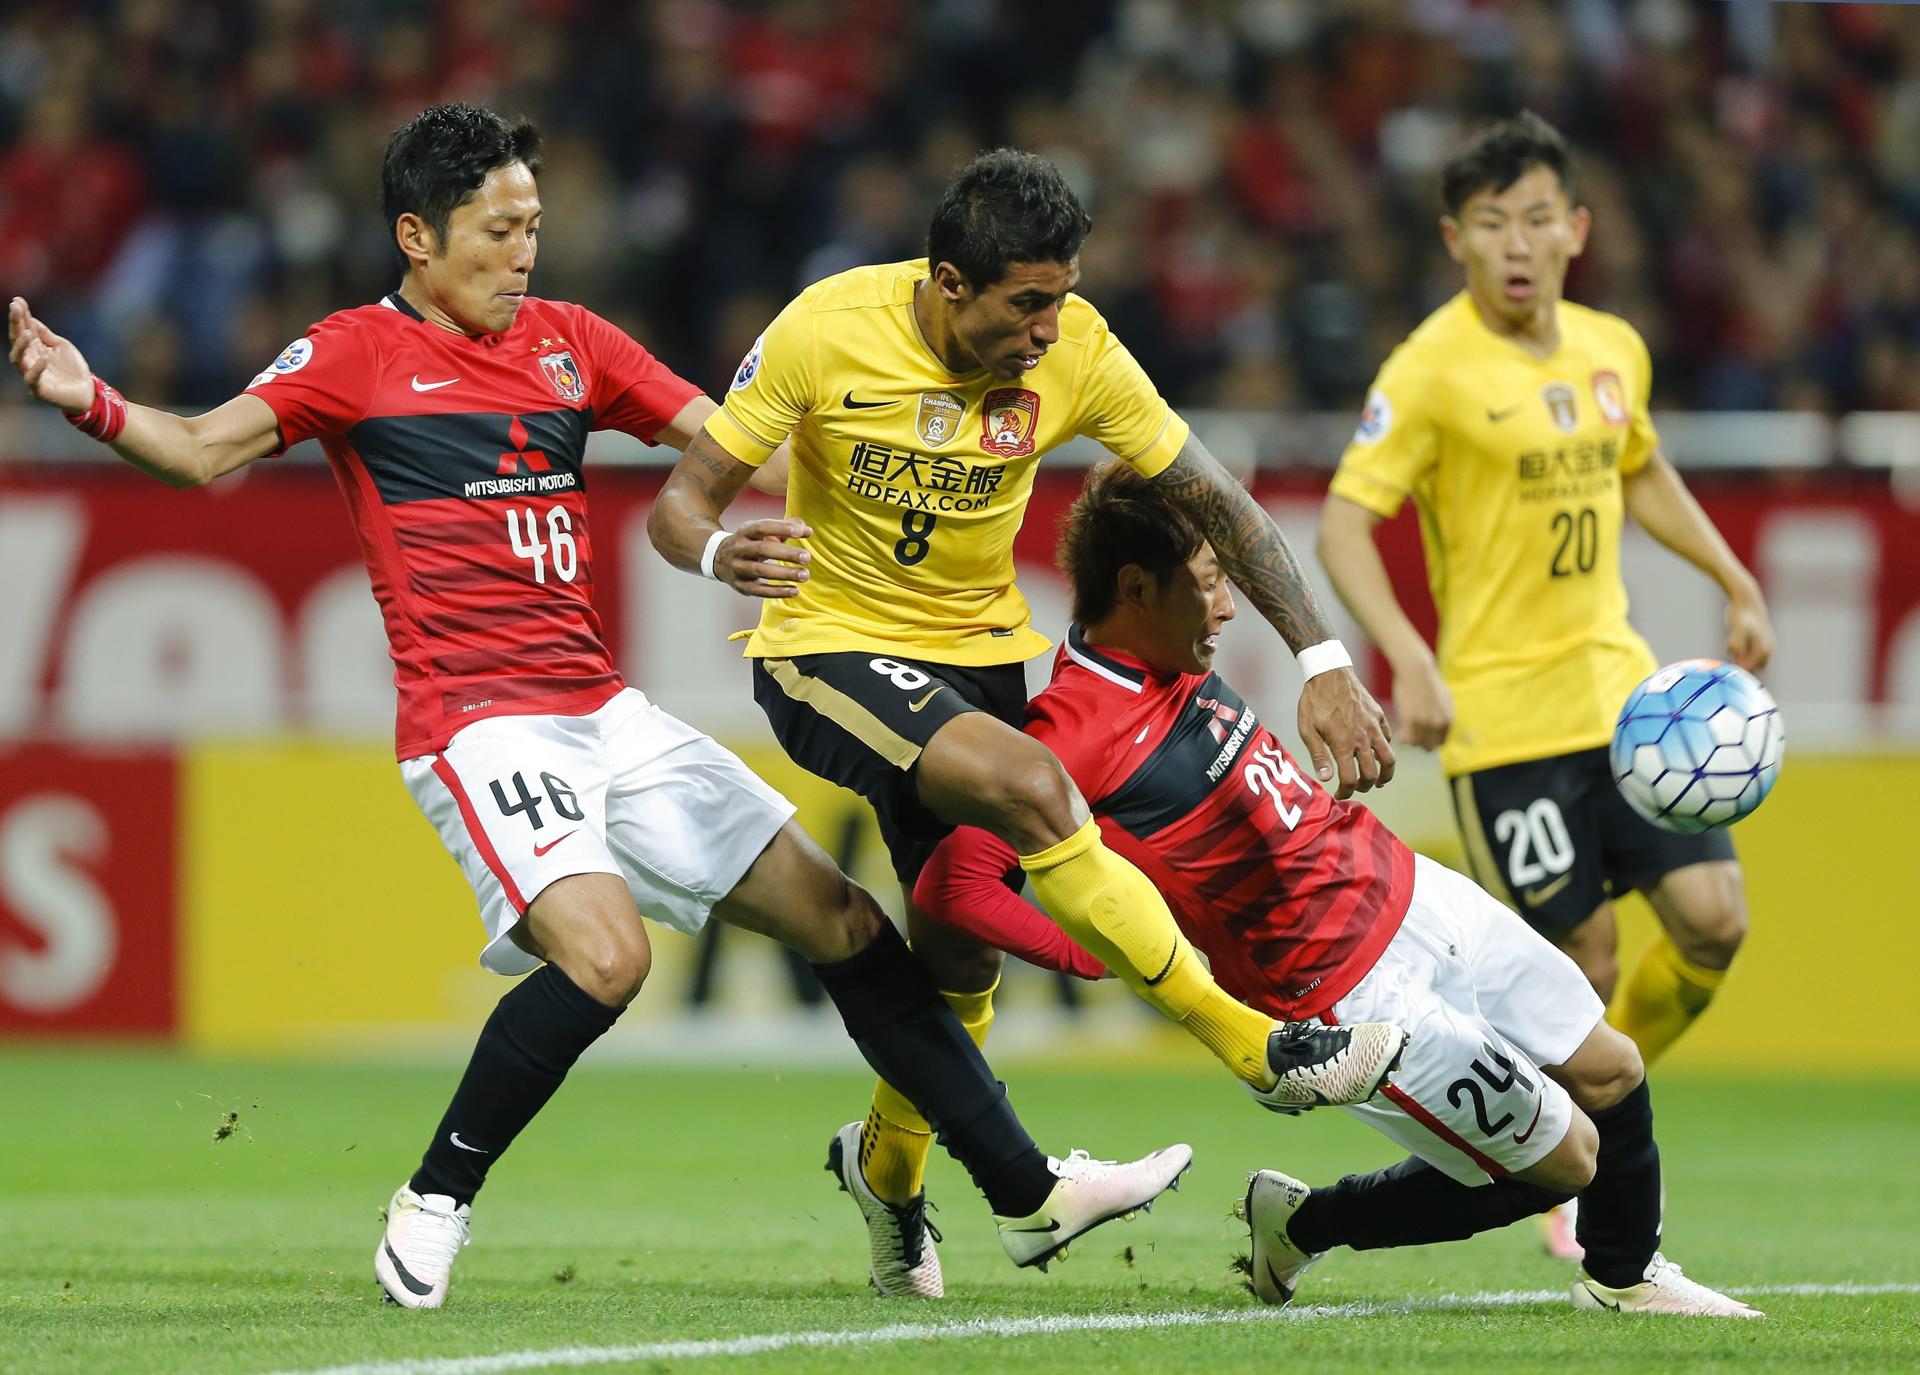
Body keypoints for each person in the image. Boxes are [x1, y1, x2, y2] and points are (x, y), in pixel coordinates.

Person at [6, 104, 1201, 1310]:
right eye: (497, 229)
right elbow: (203, 449)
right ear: (416, 236)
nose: (524, 251)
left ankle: (1026, 1192)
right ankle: (435, 1196)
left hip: (603, 711)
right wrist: (89, 399)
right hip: (479, 719)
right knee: (608, 953)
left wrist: (815, 496)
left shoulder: (572, 342)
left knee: (846, 922)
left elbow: (738, 441)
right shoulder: (355, 353)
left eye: (534, 226)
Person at [648, 149, 1404, 1297]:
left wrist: (1325, 656)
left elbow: (1218, 503)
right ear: (948, 282)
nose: (1052, 328)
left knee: (956, 950)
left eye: (1063, 295)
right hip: (827, 650)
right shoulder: (823, 329)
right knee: (1037, 791)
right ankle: (1257, 1050)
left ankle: (888, 1177)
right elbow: (679, 503)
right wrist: (717, 551)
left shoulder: (1083, 350)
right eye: (1028, 303)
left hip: (983, 660)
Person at [916, 461, 1760, 1317]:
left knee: (1612, 1069)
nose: (1229, 606)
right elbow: (952, 890)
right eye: (1209, 584)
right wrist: (1119, 958)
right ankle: (1307, 1222)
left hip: (1412, 888)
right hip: (1347, 994)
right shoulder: (1069, 736)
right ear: (1135, 586)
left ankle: (1626, 1275)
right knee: (1568, 1157)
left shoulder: (1169, 652)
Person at [1315, 112, 1776, 1259]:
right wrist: (1406, 655)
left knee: (1715, 927)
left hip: (1627, 711)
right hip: (1503, 724)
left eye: (1534, 220)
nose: (1515, 244)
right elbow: (1340, 522)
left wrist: (1731, 574)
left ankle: (1590, 1122)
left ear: (1576, 228)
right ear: (1454, 239)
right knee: (1586, 968)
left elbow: (1644, 464)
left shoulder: (1614, 346)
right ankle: (1569, 1159)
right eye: (1489, 224)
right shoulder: (1427, 371)